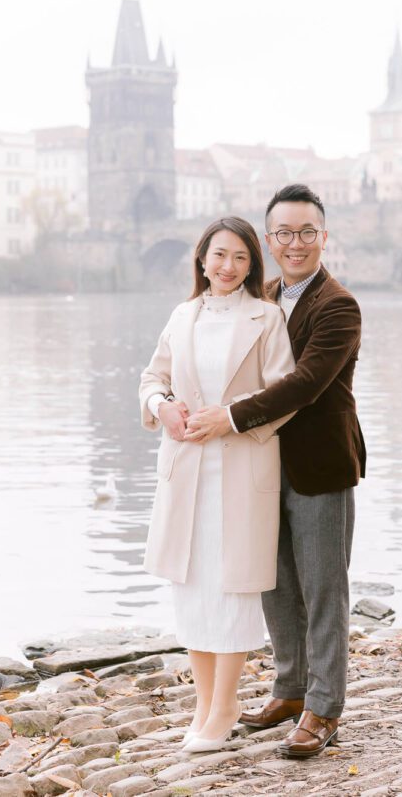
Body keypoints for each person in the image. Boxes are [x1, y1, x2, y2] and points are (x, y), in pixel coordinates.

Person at [185, 184, 366, 759]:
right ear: (269, 240)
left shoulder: (338, 306)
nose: (295, 243)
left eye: (306, 232)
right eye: (283, 233)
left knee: (323, 589)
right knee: (275, 583)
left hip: (318, 465)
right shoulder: (258, 296)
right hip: (258, 466)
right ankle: (288, 690)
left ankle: (323, 706)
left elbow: (306, 383)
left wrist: (230, 416)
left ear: (322, 237)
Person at [139, 216, 294, 753]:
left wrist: (229, 417)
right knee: (192, 590)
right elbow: (152, 379)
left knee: (233, 590)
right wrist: (163, 408)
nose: (228, 267)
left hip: (241, 467)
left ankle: (226, 705)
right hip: (186, 472)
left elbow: (284, 394)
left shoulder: (266, 318)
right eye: (219, 255)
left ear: (253, 264)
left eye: (241, 258)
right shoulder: (183, 315)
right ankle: (204, 704)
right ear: (202, 258)